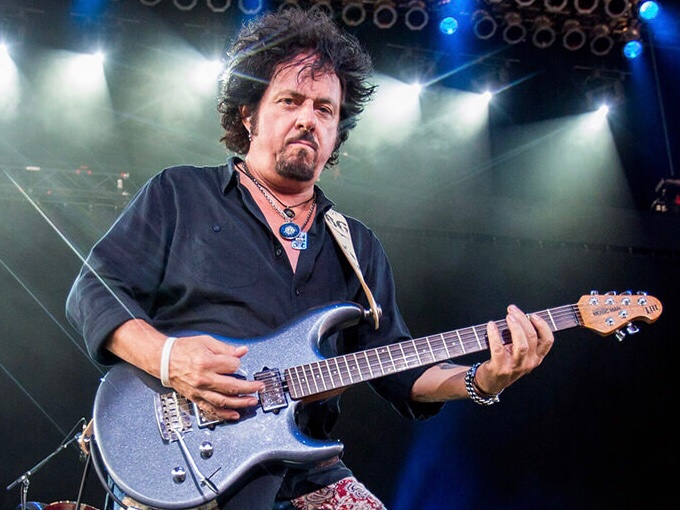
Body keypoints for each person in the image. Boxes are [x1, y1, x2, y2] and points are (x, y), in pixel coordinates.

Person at [66, 7, 554, 510]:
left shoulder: (357, 246)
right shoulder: (180, 194)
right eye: (289, 101)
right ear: (249, 114)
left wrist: (481, 380)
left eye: (325, 109)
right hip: (186, 460)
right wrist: (170, 359)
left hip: (305, 471)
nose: (307, 119)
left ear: (337, 130)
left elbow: (399, 368)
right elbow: (94, 291)